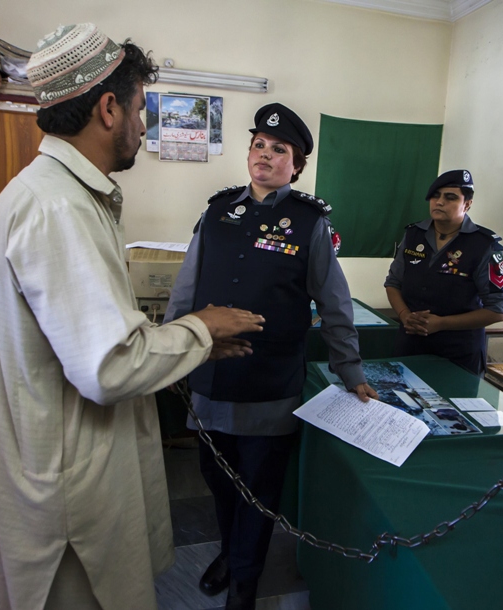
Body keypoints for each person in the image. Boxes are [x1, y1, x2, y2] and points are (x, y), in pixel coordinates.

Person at [0, 24, 264, 610]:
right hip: (68, 497)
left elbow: (92, 339)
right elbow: (109, 367)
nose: (144, 125)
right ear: (109, 108)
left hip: (61, 470)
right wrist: (201, 327)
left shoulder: (62, 193)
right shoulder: (57, 205)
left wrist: (190, 345)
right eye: (141, 109)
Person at [164, 102, 376, 610]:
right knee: (217, 479)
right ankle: (229, 554)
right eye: (259, 144)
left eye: (279, 149)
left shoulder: (309, 221)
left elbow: (334, 302)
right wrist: (170, 350)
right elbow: (185, 290)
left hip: (269, 381)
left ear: (296, 165)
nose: (265, 154)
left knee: (257, 491)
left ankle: (245, 582)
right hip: (212, 378)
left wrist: (351, 369)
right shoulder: (216, 211)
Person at [385, 170, 503, 376]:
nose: (439, 202)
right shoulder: (413, 235)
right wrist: (404, 315)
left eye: (450, 197)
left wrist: (442, 323)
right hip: (411, 345)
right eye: (435, 196)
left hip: (458, 353)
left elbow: (498, 310)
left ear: (468, 204)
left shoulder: (484, 245)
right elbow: (393, 283)